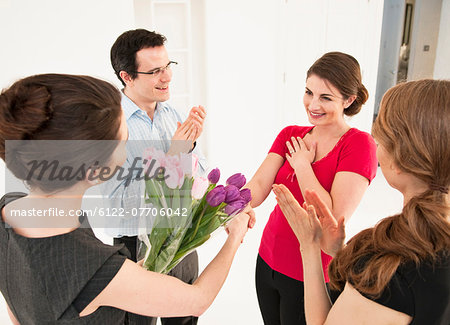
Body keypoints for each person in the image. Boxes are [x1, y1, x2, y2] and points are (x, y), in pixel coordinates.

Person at [0, 74, 251, 325]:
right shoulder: (97, 269)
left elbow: (19, 305)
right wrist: (235, 236)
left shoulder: (7, 207)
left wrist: (134, 275)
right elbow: (198, 300)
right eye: (124, 142)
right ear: (95, 170)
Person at [274, 79, 450, 325]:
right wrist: (340, 254)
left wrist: (310, 245)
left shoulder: (391, 269)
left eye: (382, 138)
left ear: (401, 159)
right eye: (309, 92)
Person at [244, 52, 378, 324]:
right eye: (308, 92)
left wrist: (303, 166)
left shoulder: (359, 145)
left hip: (311, 274)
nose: (312, 104)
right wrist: (232, 203)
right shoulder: (289, 134)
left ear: (349, 100)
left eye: (325, 98)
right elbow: (258, 186)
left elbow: (331, 218)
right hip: (267, 260)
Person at [104, 29, 207, 325]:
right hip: (133, 244)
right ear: (127, 76)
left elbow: (200, 180)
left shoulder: (172, 115)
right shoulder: (110, 126)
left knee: (186, 318)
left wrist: (188, 151)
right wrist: (172, 158)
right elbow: (119, 203)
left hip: (182, 238)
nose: (167, 77)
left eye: (168, 66)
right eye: (154, 71)